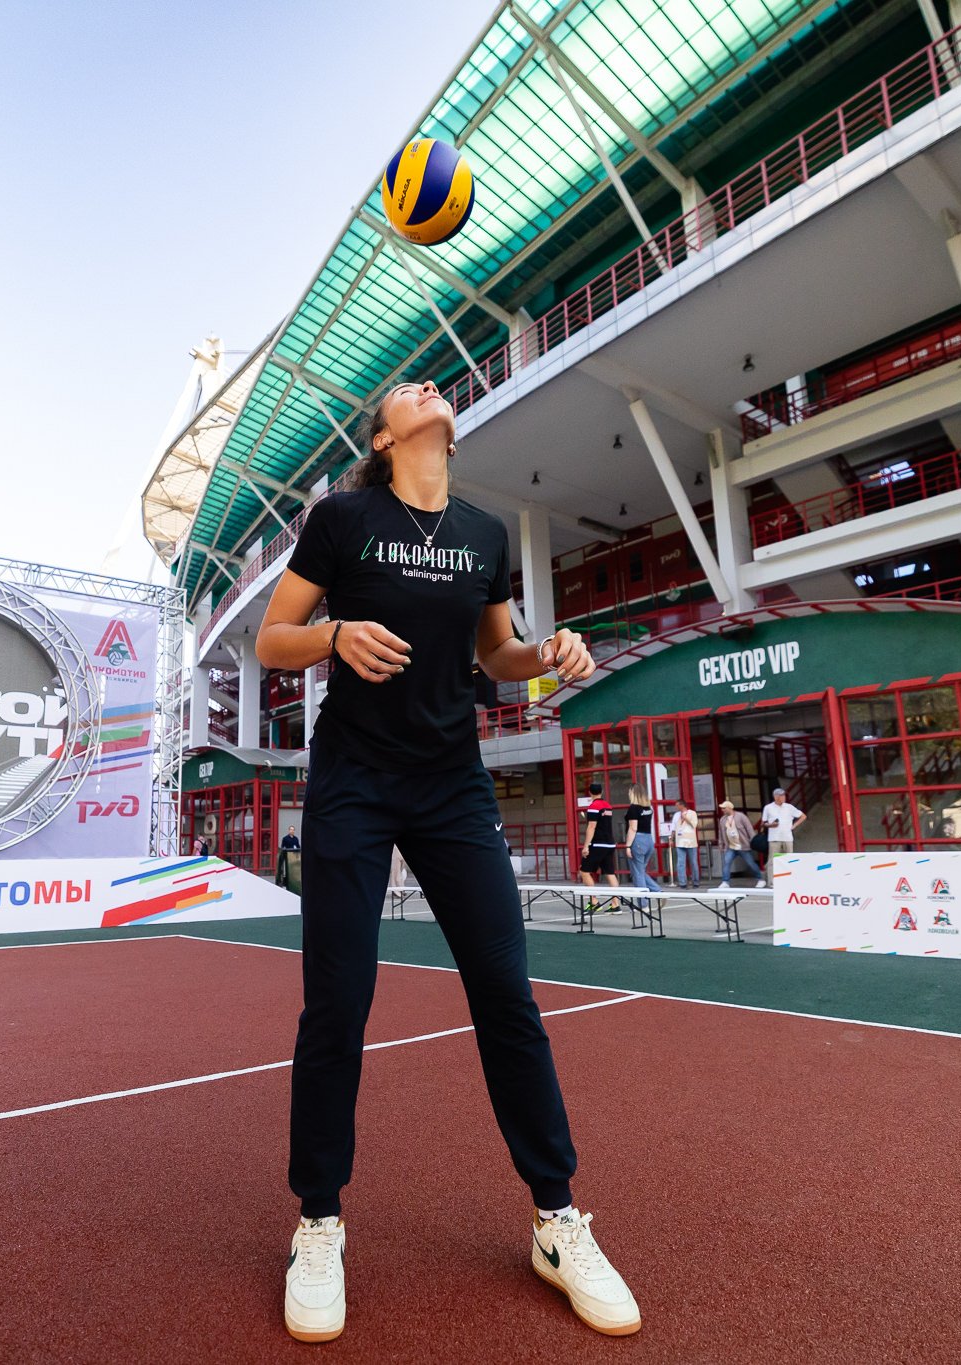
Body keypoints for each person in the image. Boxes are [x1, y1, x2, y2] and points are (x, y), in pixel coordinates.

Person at [256, 378, 639, 1343]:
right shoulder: (342, 519)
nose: (429, 388)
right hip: (353, 781)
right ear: (384, 438)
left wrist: (550, 653)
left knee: (507, 995)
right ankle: (318, 1222)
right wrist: (335, 632)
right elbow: (271, 642)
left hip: (451, 785)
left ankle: (557, 1220)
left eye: (433, 387)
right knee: (337, 1001)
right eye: (407, 391)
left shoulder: (485, 532)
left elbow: (498, 656)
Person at [578, 781, 623, 911]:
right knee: (610, 873)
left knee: (584, 871)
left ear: (590, 792)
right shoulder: (608, 806)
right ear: (601, 792)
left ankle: (594, 901)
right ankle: (615, 904)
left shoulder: (593, 806)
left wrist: (586, 846)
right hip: (609, 844)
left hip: (598, 844)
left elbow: (592, 826)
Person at [623, 784, 665, 908]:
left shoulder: (633, 808)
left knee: (638, 874)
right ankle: (657, 891)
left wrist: (627, 846)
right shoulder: (648, 808)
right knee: (639, 871)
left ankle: (643, 904)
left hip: (638, 841)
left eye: (629, 791)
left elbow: (633, 828)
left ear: (633, 793)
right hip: (648, 840)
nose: (628, 794)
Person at [760, 787, 805, 885]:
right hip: (774, 838)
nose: (783, 797)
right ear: (775, 797)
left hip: (787, 838)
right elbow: (763, 823)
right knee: (772, 861)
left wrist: (794, 826)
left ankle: (789, 881)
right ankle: (771, 882)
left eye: (784, 795)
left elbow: (803, 816)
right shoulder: (768, 808)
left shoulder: (789, 807)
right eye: (781, 795)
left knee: (789, 860)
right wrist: (771, 825)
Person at [716, 801, 762, 886]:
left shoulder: (741, 816)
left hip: (743, 846)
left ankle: (760, 879)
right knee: (726, 863)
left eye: (724, 808)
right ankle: (725, 881)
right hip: (730, 846)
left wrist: (753, 841)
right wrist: (721, 844)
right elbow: (720, 833)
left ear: (730, 808)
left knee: (750, 863)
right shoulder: (722, 819)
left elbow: (749, 829)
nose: (722, 810)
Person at [671, 796, 700, 887]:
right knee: (680, 863)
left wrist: (686, 818)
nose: (676, 807)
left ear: (682, 805)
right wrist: (672, 839)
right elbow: (673, 828)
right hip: (680, 841)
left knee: (693, 862)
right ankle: (682, 882)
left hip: (691, 841)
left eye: (677, 805)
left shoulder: (692, 813)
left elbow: (694, 824)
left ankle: (695, 881)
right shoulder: (676, 815)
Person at [277, 825, 301, 891]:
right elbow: (283, 847)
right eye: (291, 829)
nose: (292, 831)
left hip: (295, 856)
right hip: (288, 856)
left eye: (293, 830)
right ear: (289, 830)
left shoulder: (296, 838)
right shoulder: (285, 838)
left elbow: (298, 846)